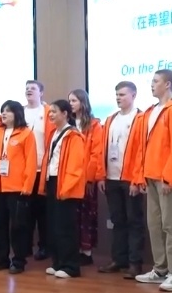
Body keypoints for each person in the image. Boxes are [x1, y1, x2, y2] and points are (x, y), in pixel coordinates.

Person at [134, 69, 172, 291]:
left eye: (156, 81)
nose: (151, 84)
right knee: (154, 225)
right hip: (151, 176)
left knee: (171, 225)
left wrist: (169, 178)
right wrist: (141, 176)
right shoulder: (150, 112)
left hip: (167, 179)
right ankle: (160, 270)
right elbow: (143, 148)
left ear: (167, 84)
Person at [96, 81, 147, 279]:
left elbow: (142, 151)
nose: (118, 98)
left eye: (122, 94)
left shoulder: (141, 118)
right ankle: (119, 260)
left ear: (133, 95)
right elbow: (102, 149)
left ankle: (135, 263)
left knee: (134, 221)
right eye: (117, 94)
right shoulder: (110, 119)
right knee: (117, 220)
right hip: (111, 177)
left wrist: (137, 179)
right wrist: (101, 175)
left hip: (130, 178)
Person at [0, 100, 37, 274]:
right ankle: (1, 258)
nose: (4, 114)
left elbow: (31, 162)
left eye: (8, 111)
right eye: (2, 110)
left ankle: (19, 260)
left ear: (17, 113)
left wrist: (27, 186)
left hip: (17, 188)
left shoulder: (26, 134)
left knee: (18, 226)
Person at [39, 99, 87, 279]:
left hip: (65, 185)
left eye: (54, 111)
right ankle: (58, 262)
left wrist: (66, 189)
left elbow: (76, 167)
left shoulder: (73, 136)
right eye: (49, 112)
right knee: (53, 225)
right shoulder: (54, 133)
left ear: (65, 113)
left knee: (66, 227)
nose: (50, 114)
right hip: (52, 182)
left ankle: (71, 266)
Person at [68, 88, 104, 265]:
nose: (71, 104)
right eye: (69, 101)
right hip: (69, 177)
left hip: (86, 178)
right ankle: (73, 249)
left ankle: (86, 252)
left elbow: (96, 153)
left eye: (74, 101)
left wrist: (90, 177)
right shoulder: (68, 124)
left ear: (83, 102)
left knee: (87, 215)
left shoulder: (94, 125)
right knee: (72, 216)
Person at [24, 80, 55, 260]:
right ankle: (25, 246)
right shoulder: (19, 112)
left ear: (41, 93)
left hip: (43, 170)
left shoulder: (49, 112)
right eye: (27, 88)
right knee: (25, 211)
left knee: (43, 212)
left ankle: (44, 246)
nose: (29, 90)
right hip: (23, 171)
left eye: (33, 88)